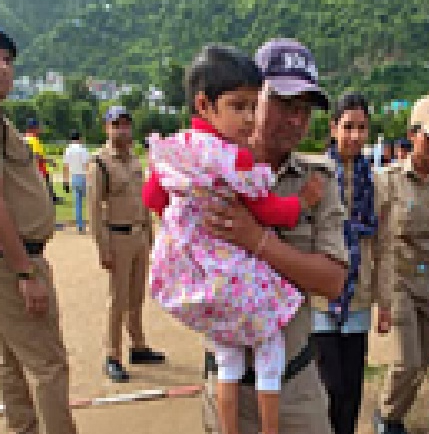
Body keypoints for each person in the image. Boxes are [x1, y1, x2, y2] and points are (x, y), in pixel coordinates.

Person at [143, 45, 324, 434]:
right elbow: (268, 211)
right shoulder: (237, 160)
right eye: (240, 107)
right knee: (269, 348)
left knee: (228, 359)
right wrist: (300, 204)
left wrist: (182, 224)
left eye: (250, 106)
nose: (246, 118)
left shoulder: (178, 149)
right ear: (205, 105)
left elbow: (152, 197)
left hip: (200, 276)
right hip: (237, 277)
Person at [199, 38, 348, 434]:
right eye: (284, 104)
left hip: (295, 388)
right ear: (253, 97)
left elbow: (332, 281)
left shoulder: (319, 183)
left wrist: (258, 241)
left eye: (304, 110)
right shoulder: (213, 170)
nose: (296, 119)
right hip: (227, 387)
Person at [0, 18, 78, 434]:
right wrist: (24, 271)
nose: (3, 67)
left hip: (3, 257)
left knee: (13, 360)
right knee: (47, 365)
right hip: (8, 259)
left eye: (7, 60)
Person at [372, 95, 429, 434]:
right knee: (406, 362)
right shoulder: (388, 179)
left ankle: (394, 415)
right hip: (401, 283)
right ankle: (386, 415)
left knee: (423, 363)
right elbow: (378, 240)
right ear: (412, 134)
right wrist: (379, 296)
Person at [312, 92, 387, 434]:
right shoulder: (314, 175)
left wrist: (383, 301)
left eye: (361, 128)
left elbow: (381, 244)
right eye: (348, 127)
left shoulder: (376, 181)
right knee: (330, 386)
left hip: (358, 293)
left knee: (353, 391)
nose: (355, 136)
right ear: (333, 128)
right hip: (321, 295)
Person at [88, 105, 165, 382]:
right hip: (117, 237)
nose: (122, 129)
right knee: (117, 299)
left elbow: (143, 199)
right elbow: (95, 209)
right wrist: (103, 248)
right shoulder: (99, 162)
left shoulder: (135, 160)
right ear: (106, 128)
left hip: (139, 236)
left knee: (136, 296)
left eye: (126, 124)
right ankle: (113, 355)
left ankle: (138, 345)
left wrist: (151, 237)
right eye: (116, 124)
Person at [24, 118, 62, 204]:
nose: (40, 129)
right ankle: (53, 199)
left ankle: (53, 198)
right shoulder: (33, 140)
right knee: (46, 190)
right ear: (34, 128)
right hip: (40, 169)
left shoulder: (24, 138)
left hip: (32, 169)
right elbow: (37, 155)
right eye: (38, 127)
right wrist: (50, 161)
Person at [62, 130, 90, 232]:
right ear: (80, 138)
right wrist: (90, 179)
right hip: (84, 177)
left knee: (77, 203)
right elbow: (87, 165)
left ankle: (80, 226)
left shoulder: (67, 150)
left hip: (74, 177)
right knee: (90, 201)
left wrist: (65, 182)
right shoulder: (83, 150)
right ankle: (94, 223)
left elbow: (65, 167)